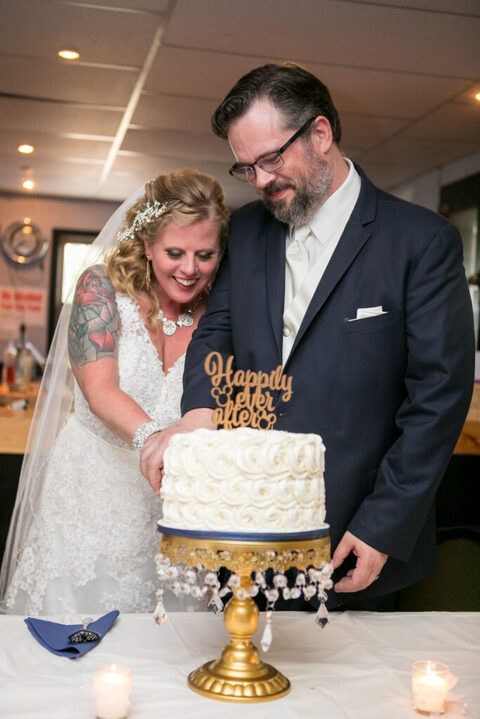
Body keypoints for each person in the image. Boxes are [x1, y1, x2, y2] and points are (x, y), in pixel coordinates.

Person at [140, 64, 475, 611]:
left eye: (271, 159)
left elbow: (437, 399)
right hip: (244, 523)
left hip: (355, 535)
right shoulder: (245, 231)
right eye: (246, 167)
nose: (260, 180)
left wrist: (383, 523)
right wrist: (198, 413)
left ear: (320, 134)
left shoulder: (420, 241)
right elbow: (216, 333)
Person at [0, 168, 228, 616]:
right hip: (91, 496)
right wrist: (155, 441)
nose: (189, 269)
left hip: (173, 508)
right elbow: (99, 388)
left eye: (205, 255)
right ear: (146, 244)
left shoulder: (222, 309)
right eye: (175, 253)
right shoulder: (100, 288)